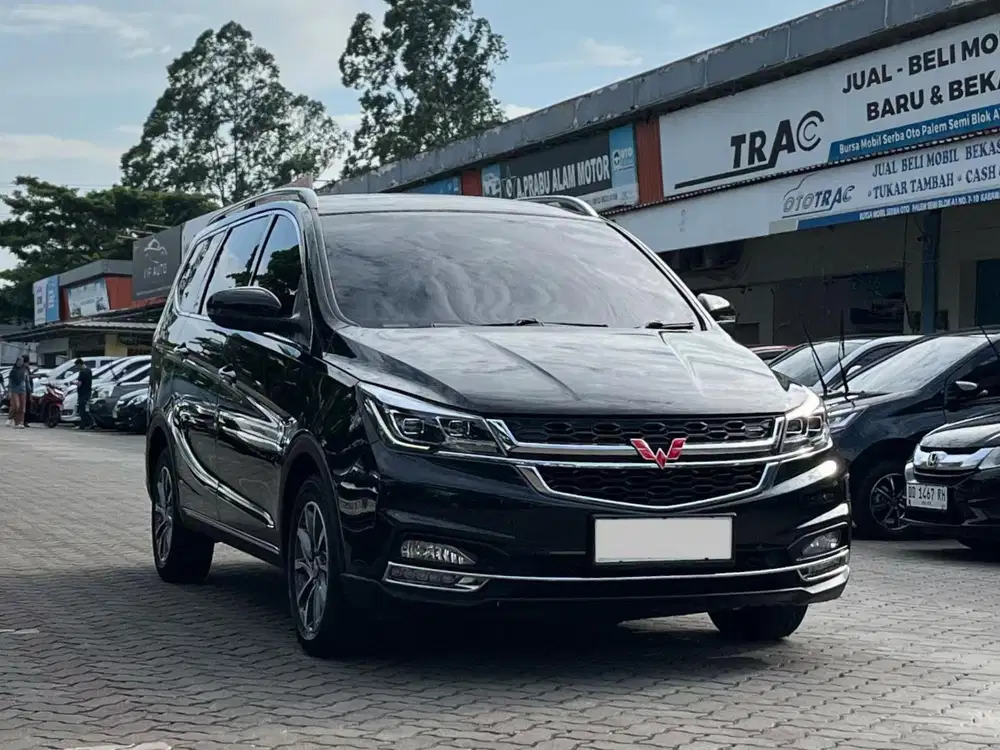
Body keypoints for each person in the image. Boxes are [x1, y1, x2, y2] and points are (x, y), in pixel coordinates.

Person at [6, 356, 28, 429]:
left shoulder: (24, 370)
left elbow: (26, 380)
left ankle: (19, 422)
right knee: (16, 406)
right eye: (19, 361)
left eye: (22, 361)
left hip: (23, 390)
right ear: (16, 362)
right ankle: (11, 417)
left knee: (22, 407)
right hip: (15, 390)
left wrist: (29, 390)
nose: (20, 363)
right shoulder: (13, 371)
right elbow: (10, 382)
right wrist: (9, 391)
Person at [75, 357, 94, 430]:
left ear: (79, 364)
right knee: (84, 409)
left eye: (77, 366)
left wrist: (73, 382)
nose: (76, 368)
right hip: (88, 392)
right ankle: (86, 424)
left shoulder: (82, 372)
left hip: (82, 393)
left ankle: (90, 423)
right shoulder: (89, 370)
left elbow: (79, 384)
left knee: (82, 410)